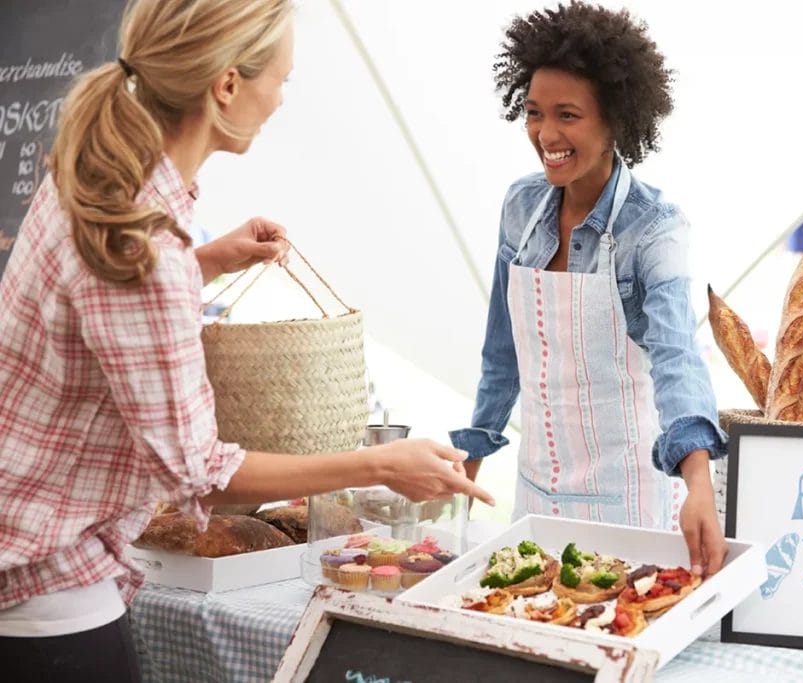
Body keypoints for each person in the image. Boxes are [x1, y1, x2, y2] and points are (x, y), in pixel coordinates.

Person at [0, 1, 492, 679]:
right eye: (281, 80)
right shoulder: (144, 246)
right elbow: (204, 470)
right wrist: (378, 464)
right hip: (50, 611)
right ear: (227, 84)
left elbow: (90, 309)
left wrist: (205, 261)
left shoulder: (98, 178)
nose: (282, 98)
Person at [450, 2, 728, 579]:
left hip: (629, 505)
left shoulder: (654, 228)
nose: (546, 134)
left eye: (568, 116)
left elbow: (679, 355)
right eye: (533, 113)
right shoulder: (520, 206)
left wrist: (698, 481)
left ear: (615, 122)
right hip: (534, 499)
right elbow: (503, 353)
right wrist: (470, 456)